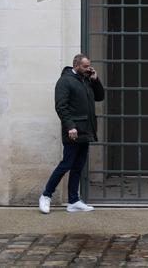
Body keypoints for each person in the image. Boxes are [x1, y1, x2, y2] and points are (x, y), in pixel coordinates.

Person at [39, 54, 105, 213]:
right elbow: (61, 106)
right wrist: (70, 126)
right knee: (66, 164)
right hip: (73, 131)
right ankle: (46, 196)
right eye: (85, 66)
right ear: (76, 65)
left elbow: (100, 97)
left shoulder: (87, 80)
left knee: (78, 166)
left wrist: (95, 79)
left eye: (89, 66)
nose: (88, 69)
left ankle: (73, 201)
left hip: (86, 130)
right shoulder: (65, 81)